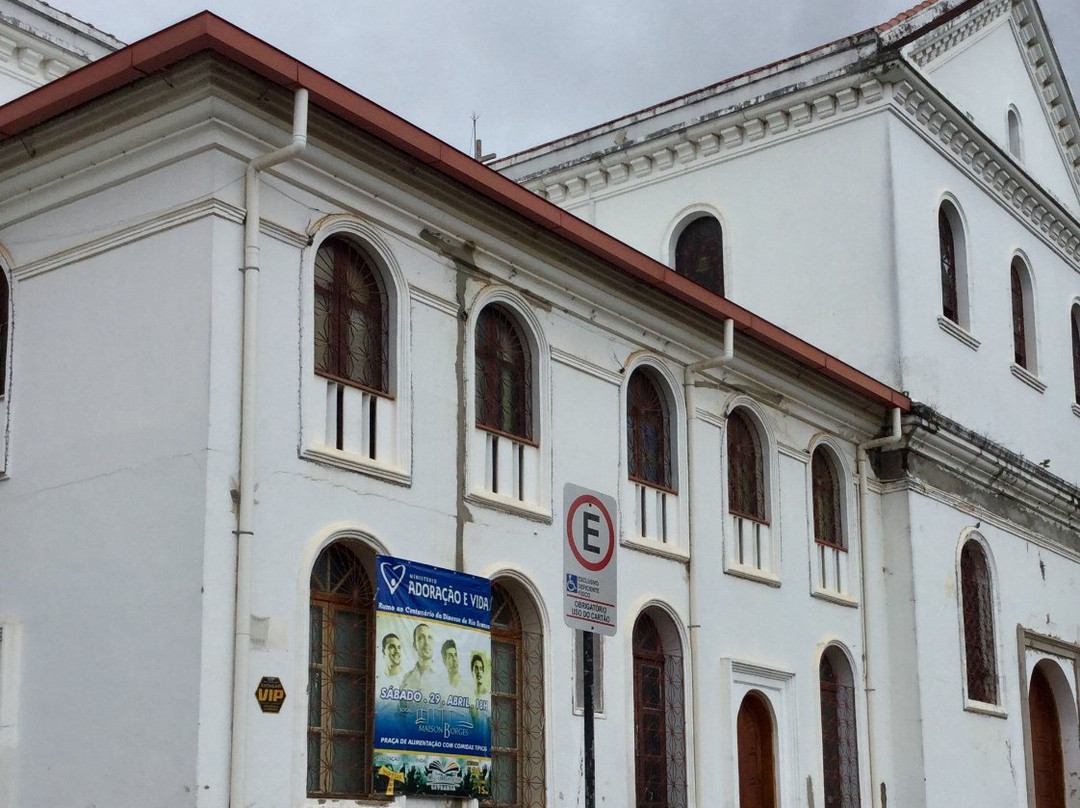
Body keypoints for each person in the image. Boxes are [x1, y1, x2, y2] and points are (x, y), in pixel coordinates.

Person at [401, 623, 439, 692]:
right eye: (421, 638)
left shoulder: (443, 677)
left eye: (429, 637)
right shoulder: (406, 679)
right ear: (414, 646)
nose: (426, 642)